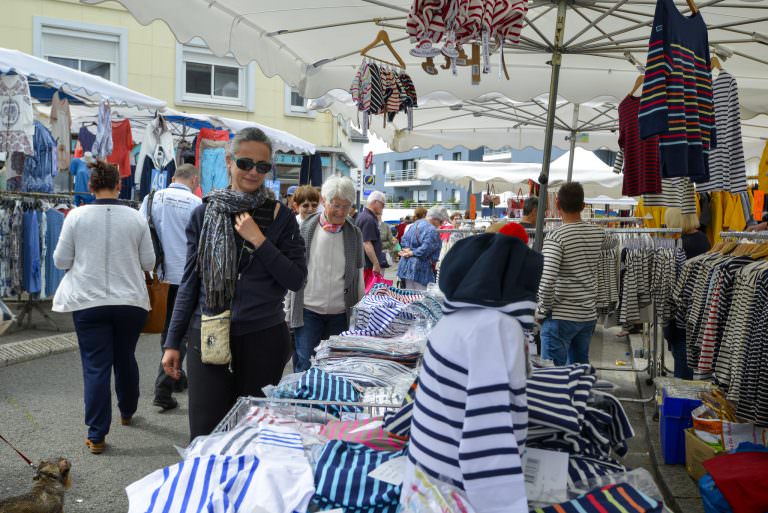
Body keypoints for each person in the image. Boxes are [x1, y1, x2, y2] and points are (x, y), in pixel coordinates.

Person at [161, 127, 307, 439]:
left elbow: (296, 279)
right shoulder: (203, 214)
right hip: (209, 333)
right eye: (245, 163)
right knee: (205, 433)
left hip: (263, 336)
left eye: (262, 166)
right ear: (229, 161)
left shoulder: (281, 216)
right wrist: (173, 342)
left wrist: (260, 241)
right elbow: (190, 283)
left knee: (252, 435)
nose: (254, 172)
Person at [403, 233, 543, 513]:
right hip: (456, 495)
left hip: (428, 482)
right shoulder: (496, 328)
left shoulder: (456, 320)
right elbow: (487, 431)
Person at [53, 160, 155, 454]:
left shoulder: (76, 216)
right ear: (119, 185)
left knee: (96, 366)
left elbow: (61, 260)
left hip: (89, 300)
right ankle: (128, 410)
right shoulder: (136, 218)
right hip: (130, 301)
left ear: (90, 186)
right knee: (125, 357)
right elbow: (149, 262)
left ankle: (97, 435)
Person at [139, 163, 202, 411]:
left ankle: (176, 377)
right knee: (178, 333)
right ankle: (163, 389)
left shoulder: (152, 197)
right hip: (185, 276)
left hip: (157, 274)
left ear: (173, 178)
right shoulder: (196, 204)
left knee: (169, 330)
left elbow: (141, 230)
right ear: (194, 181)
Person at [289, 175, 364, 373]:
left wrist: (358, 312)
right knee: (306, 364)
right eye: (336, 205)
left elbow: (358, 274)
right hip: (308, 310)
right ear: (324, 201)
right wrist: (287, 309)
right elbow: (293, 271)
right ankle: (301, 404)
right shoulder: (305, 229)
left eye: (346, 206)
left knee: (334, 367)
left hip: (340, 313)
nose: (341, 211)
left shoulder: (354, 234)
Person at [536, 182, 605, 366]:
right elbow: (613, 242)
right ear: (583, 206)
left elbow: (548, 278)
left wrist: (542, 310)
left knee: (552, 377)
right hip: (587, 314)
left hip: (560, 315)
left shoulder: (556, 237)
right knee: (580, 372)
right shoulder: (598, 234)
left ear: (557, 205)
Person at [662, 208, 710, 379]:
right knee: (690, 361)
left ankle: (682, 401)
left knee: (682, 364)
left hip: (681, 315)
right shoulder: (703, 238)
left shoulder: (680, 245)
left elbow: (674, 286)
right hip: (700, 309)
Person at [398, 206, 447, 290]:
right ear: (435, 219)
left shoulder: (415, 224)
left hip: (406, 266)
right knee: (421, 298)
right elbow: (426, 249)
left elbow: (403, 240)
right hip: (421, 269)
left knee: (409, 296)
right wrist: (412, 252)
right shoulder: (432, 229)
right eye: (441, 221)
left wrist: (408, 250)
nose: (441, 224)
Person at [355, 190, 388, 286]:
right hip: (367, 265)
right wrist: (376, 263)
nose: (383, 207)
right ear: (375, 202)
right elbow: (367, 243)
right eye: (382, 204)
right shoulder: (368, 219)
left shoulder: (363, 216)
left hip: (364, 263)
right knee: (368, 294)